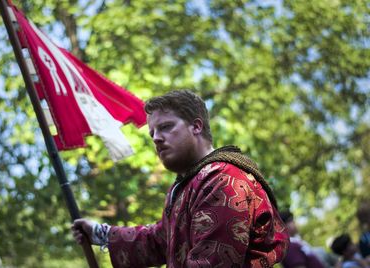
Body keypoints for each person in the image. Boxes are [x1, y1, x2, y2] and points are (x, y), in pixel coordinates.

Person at [72, 90, 289, 267]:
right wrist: (101, 234)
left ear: (196, 126)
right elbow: (160, 241)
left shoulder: (223, 179)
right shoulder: (187, 184)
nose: (156, 138)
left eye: (166, 127)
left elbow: (211, 263)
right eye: (152, 133)